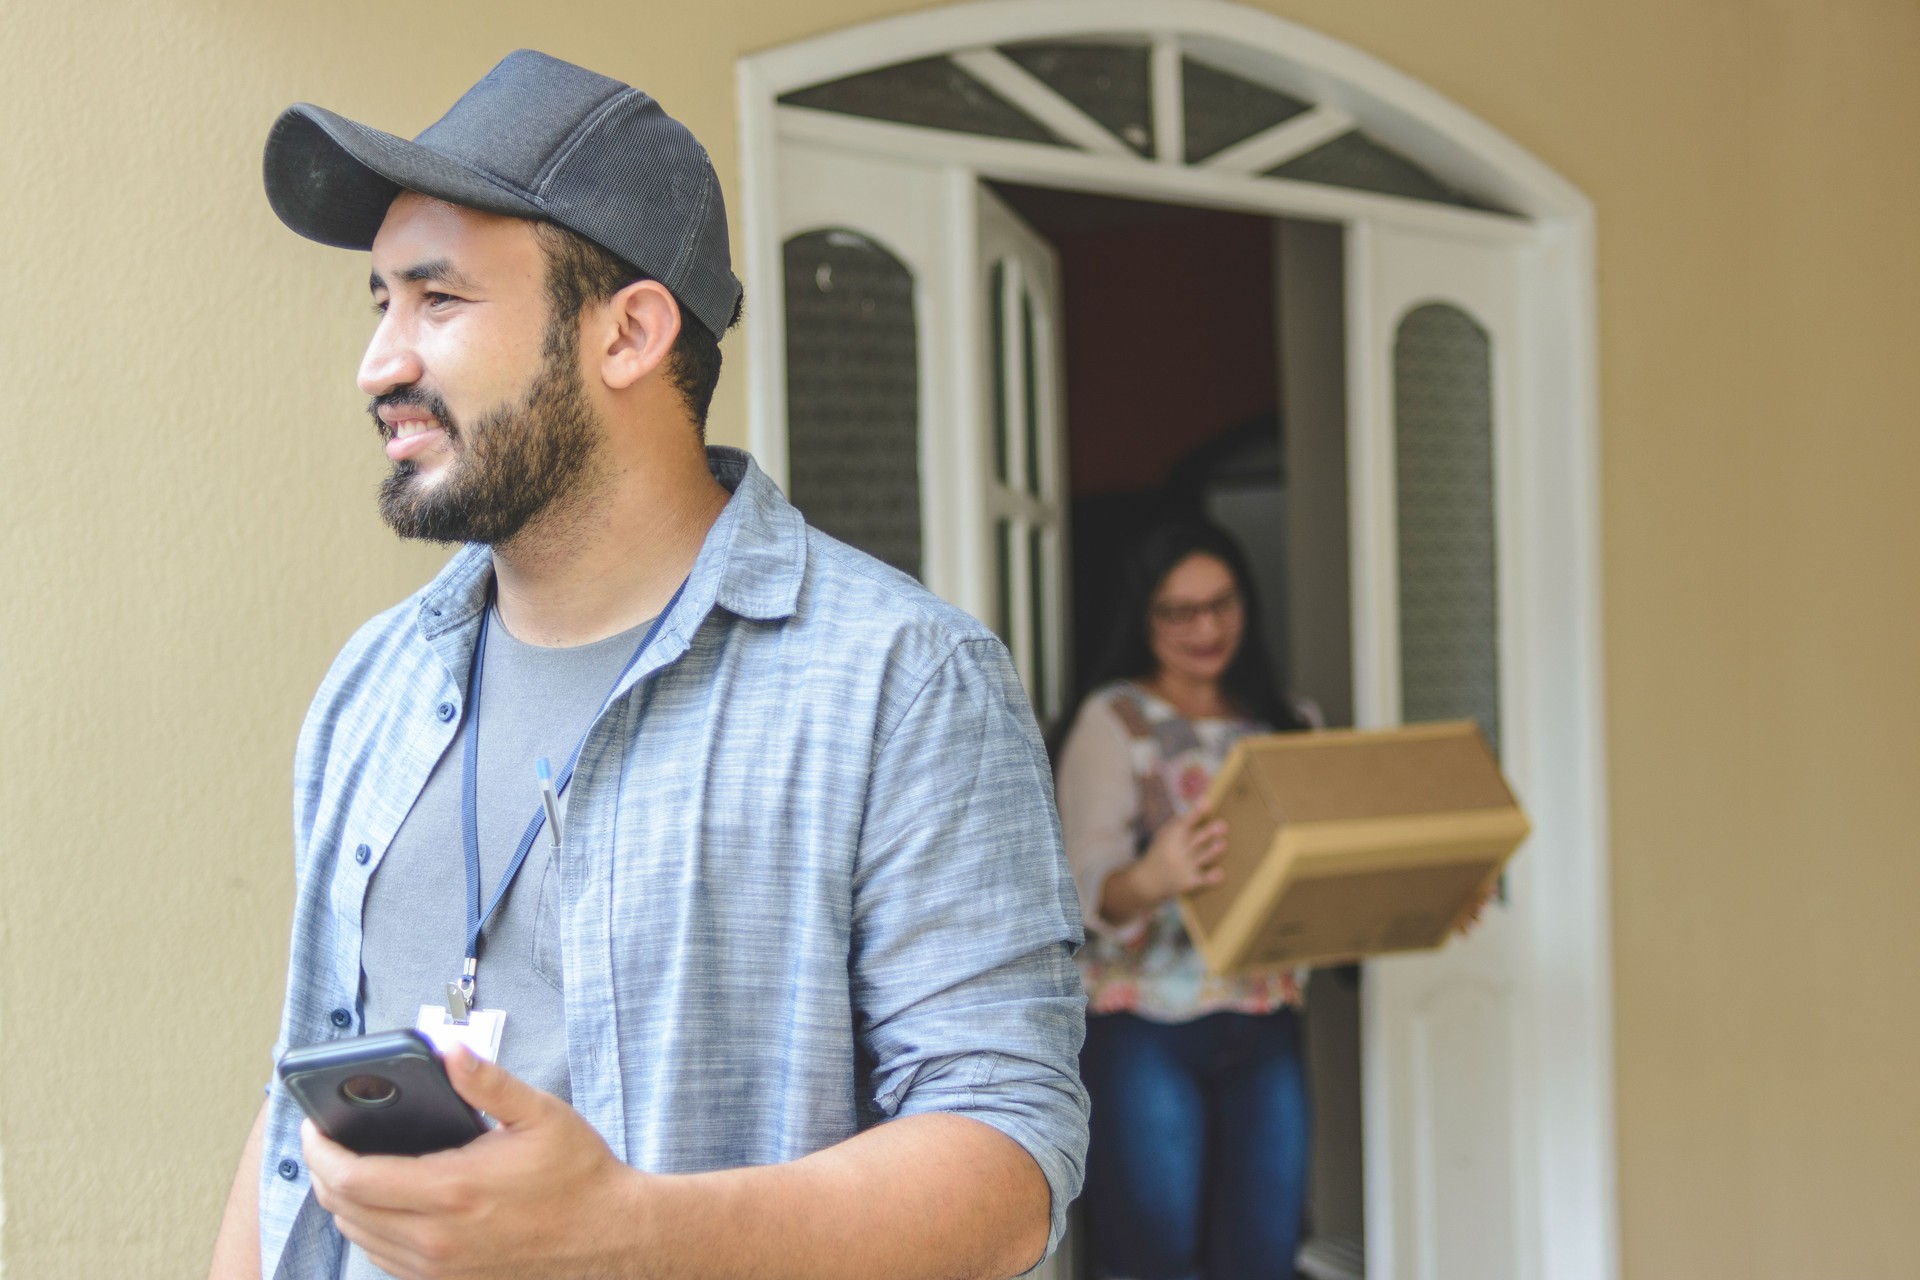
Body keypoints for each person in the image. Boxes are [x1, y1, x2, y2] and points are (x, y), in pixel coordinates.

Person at [208, 50, 1087, 1280]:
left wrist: (624, 1233)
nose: (380, 363)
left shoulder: (904, 680)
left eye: (438, 300)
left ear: (629, 332)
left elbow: (1008, 1164)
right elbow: (304, 1087)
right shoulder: (375, 681)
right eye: (378, 305)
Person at [1053, 519, 1314, 1280]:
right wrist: (1155, 877)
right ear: (1144, 618)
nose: (1206, 628)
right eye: (1179, 611)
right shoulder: (1115, 722)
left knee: (1263, 1258)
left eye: (1222, 605)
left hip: (1266, 1020)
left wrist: (1417, 901)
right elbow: (1081, 890)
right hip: (1144, 1029)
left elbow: (1319, 887)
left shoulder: (1290, 725)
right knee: (1152, 1261)